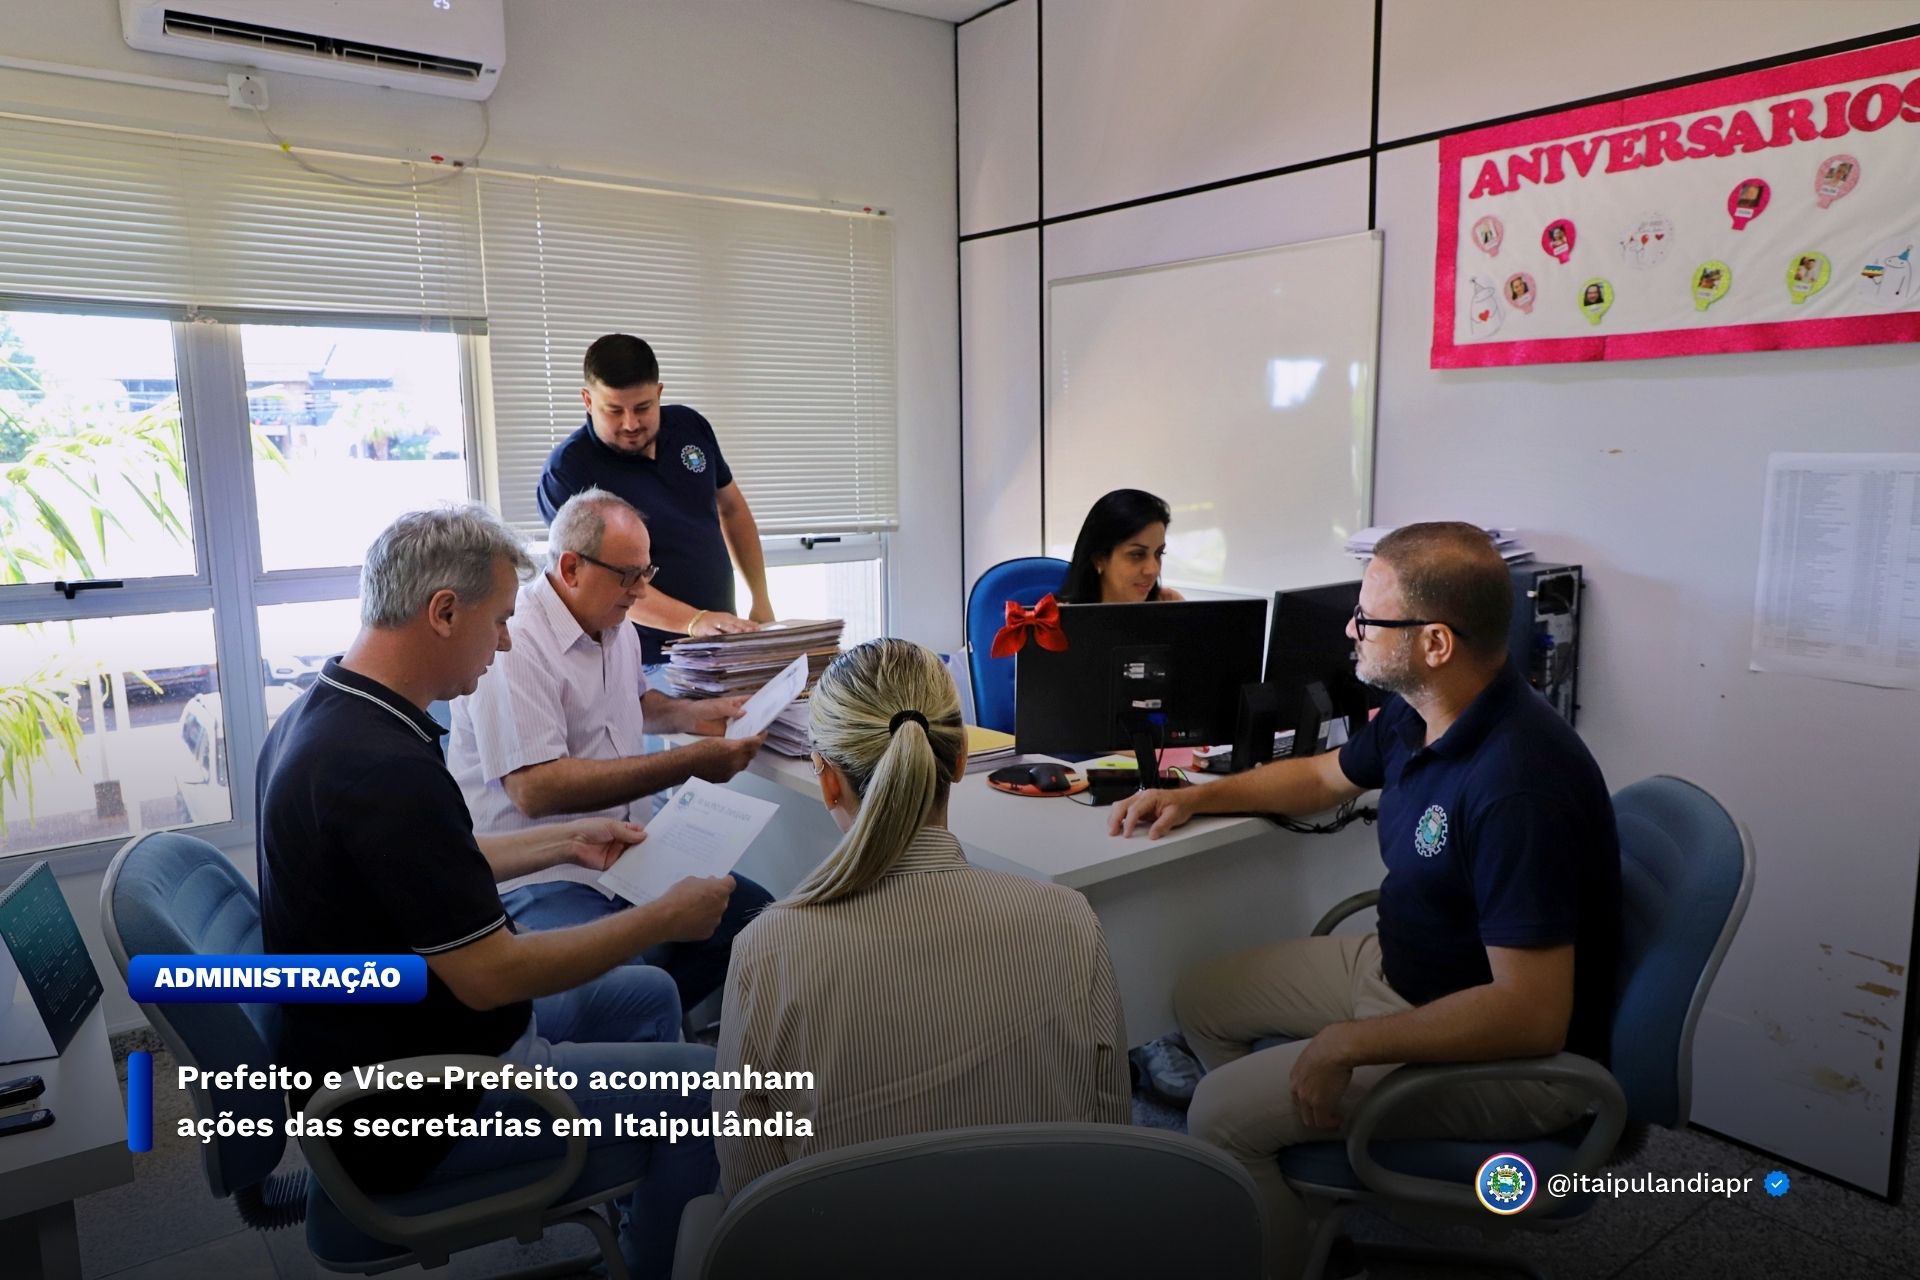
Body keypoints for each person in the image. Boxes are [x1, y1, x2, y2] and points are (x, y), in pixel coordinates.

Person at [1107, 522, 1620, 1280]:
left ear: (1435, 643)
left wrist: (1347, 1045)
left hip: (1508, 1054)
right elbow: (1325, 777)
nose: (1350, 630)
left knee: (1218, 1114)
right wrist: (1199, 796)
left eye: (1368, 618)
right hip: (1403, 970)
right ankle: (1301, 1187)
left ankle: (1283, 1221)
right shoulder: (1425, 710)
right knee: (1200, 1000)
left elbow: (1531, 1013)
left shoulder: (1519, 784)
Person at [256, 505, 737, 1278]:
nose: (507, 642)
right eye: (501, 621)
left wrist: (562, 841)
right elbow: (492, 976)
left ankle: (633, 1208)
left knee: (649, 992)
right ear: (444, 612)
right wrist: (662, 916)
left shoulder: (330, 713)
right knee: (706, 1090)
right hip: (424, 1109)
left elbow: (428, 860)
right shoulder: (384, 772)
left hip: (416, 1044)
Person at [711, 638, 1131, 1195]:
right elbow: (1110, 1123)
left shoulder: (768, 950)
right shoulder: (1070, 921)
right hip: (1046, 1232)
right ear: (960, 759)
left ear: (827, 779)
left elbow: (751, 1178)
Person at [447, 487, 772, 1029]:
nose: (641, 590)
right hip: (545, 873)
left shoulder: (614, 620)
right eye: (628, 575)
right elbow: (535, 789)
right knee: (632, 988)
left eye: (647, 572)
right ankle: (642, 1042)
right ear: (571, 568)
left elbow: (635, 703)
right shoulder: (517, 640)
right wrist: (690, 763)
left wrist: (699, 714)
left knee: (759, 920)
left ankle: (660, 1035)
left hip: (628, 853)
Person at [538, 333, 774, 668]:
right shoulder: (567, 471)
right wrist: (693, 621)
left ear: (659, 393)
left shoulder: (690, 427)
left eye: (643, 408)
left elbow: (733, 510)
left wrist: (760, 599)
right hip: (646, 659)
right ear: (587, 401)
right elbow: (601, 581)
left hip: (720, 643)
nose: (631, 423)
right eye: (614, 410)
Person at [1059, 488, 1187, 604]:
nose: (1153, 570)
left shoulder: (1168, 606)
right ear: (1099, 558)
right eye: (1137, 555)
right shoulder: (1056, 618)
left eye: (1159, 553)